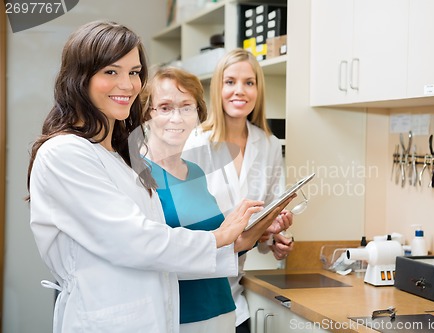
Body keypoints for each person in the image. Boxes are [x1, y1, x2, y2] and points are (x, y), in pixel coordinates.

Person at [26, 21, 288, 333]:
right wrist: (219, 237)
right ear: (79, 77)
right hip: (104, 320)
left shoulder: (120, 159)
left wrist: (238, 242)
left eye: (134, 72)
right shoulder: (64, 153)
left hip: (158, 317)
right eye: (111, 71)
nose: (127, 84)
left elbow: (158, 252)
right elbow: (134, 241)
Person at [140, 66, 289, 332]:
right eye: (164, 107)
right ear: (146, 113)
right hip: (178, 316)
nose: (177, 117)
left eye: (187, 107)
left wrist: (255, 231)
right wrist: (225, 236)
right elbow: (153, 254)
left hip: (222, 309)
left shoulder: (194, 172)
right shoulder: (138, 174)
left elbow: (219, 246)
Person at [184, 48, 295, 333]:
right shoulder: (197, 142)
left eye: (249, 82)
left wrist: (274, 235)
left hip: (235, 297)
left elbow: (266, 212)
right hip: (195, 291)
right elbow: (183, 224)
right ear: (218, 87)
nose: (240, 91)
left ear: (258, 89)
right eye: (230, 81)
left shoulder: (268, 144)